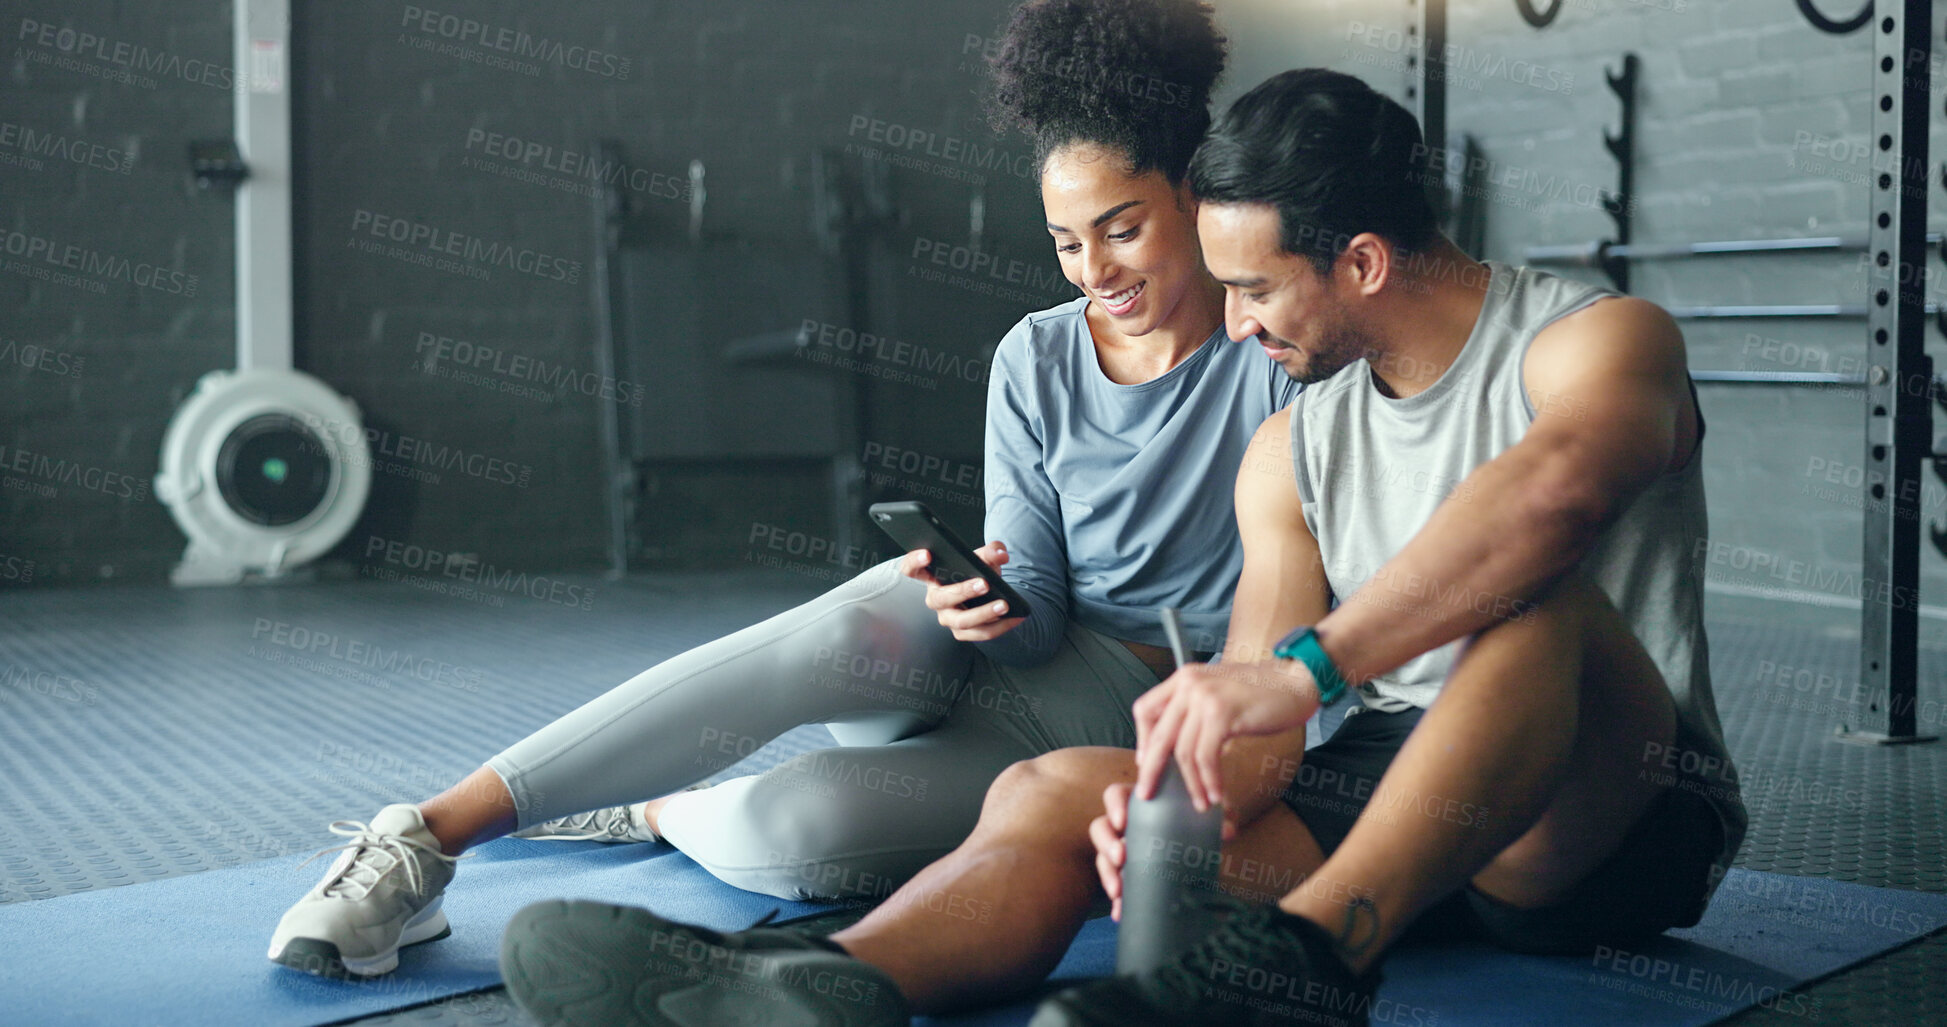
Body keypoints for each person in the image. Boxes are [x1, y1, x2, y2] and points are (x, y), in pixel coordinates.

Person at [494, 67, 1746, 1027]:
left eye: (1256, 290)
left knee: (1537, 610)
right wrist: (1175, 806)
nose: (1239, 325)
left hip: (1599, 806)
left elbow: (1554, 495)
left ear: (1361, 262)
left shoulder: (1596, 339)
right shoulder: (1297, 446)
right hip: (1381, 791)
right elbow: (1244, 707)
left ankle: (1302, 966)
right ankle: (809, 985)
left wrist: (1309, 668)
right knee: (1048, 792)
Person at [268, 0, 1302, 980]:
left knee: (797, 840)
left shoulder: (1275, 351)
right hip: (991, 654)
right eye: (1067, 243)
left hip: (1113, 719)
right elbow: (1031, 618)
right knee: (846, 630)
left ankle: (659, 809)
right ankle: (421, 838)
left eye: (1121, 230)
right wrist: (976, 597)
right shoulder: (1034, 356)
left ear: (1193, 196)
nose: (1094, 271)